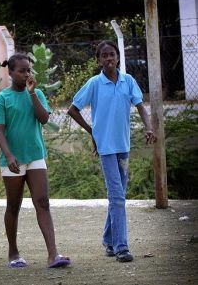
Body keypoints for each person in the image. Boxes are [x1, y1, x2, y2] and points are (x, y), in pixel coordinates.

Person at [67, 40, 156, 263]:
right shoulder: (94, 83)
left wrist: (149, 127)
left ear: (118, 58)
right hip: (106, 148)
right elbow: (72, 109)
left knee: (118, 197)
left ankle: (108, 239)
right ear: (99, 60)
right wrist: (92, 133)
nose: (109, 59)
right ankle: (121, 247)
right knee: (117, 197)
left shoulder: (128, 81)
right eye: (104, 56)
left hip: (123, 147)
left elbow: (141, 107)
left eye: (112, 55)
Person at [0, 53, 70, 269]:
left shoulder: (38, 93)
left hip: (35, 156)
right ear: (11, 72)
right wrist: (8, 155)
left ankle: (53, 255)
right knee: (13, 206)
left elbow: (44, 118)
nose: (26, 74)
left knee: (42, 202)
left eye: (28, 70)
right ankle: (13, 253)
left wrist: (32, 94)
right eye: (21, 70)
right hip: (12, 160)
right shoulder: (2, 98)